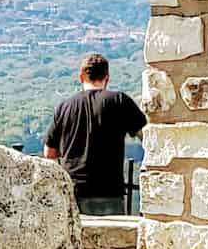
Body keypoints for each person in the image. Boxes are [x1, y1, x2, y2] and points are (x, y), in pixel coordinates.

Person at [44, 53, 146, 216]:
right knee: (111, 240)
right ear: (107, 78)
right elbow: (148, 138)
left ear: (81, 77)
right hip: (108, 190)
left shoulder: (64, 107)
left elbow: (50, 153)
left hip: (73, 191)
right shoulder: (119, 101)